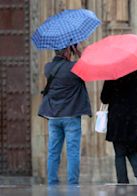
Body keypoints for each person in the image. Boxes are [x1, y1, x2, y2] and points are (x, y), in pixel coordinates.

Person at [38, 45, 92, 185]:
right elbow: (88, 69)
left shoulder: (48, 68)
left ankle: (52, 182)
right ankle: (72, 183)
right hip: (71, 116)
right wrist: (79, 53)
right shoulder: (74, 68)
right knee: (72, 151)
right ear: (68, 51)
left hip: (54, 116)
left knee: (53, 151)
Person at [100, 70, 137, 184]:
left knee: (120, 153)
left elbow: (104, 98)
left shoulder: (112, 75)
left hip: (117, 119)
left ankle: (122, 182)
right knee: (132, 150)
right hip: (134, 118)